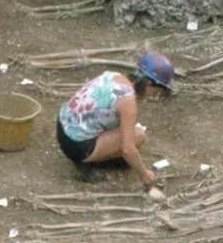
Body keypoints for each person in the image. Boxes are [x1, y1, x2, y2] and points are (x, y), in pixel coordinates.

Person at [56, 51, 174, 186]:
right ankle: (86, 164)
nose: (153, 97)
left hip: (62, 127)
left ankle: (95, 155)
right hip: (75, 145)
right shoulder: (128, 101)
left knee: (125, 128)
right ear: (148, 83)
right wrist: (144, 174)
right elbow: (128, 150)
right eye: (155, 92)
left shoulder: (113, 76)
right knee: (138, 136)